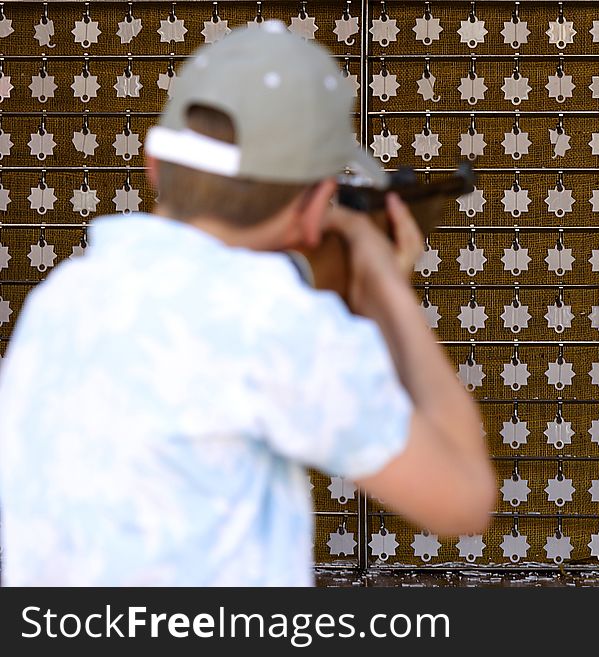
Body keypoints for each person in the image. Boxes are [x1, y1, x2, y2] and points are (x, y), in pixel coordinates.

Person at [0, 23, 494, 586]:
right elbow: (464, 498)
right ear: (314, 209)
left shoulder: (59, 299)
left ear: (155, 166)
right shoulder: (272, 321)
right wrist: (384, 285)